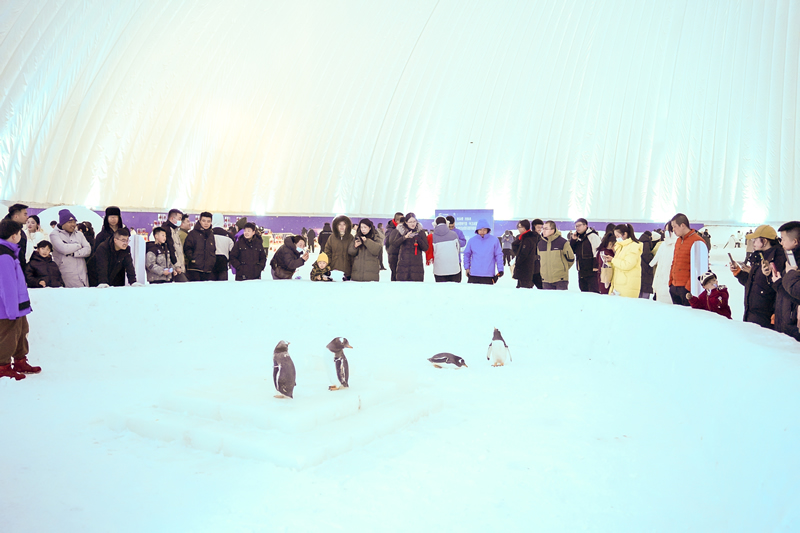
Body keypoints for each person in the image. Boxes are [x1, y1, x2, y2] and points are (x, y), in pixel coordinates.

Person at [0, 219, 41, 379]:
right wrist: (12, 311)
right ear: (13, 236)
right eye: (19, 233)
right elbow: (7, 286)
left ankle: (20, 361)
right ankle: (3, 366)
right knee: (8, 335)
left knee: (22, 331)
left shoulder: (9, 252)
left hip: (18, 305)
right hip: (8, 307)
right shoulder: (4, 256)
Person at [731, 225, 785, 329]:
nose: (753, 243)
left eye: (755, 240)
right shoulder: (759, 257)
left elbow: (780, 290)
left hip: (767, 319)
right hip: (752, 315)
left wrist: (776, 313)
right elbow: (754, 283)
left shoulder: (778, 260)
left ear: (764, 241)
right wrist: (738, 272)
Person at [669, 213, 708, 305]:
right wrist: (671, 282)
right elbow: (674, 262)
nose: (673, 230)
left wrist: (688, 287)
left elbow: (700, 268)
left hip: (687, 290)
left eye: (674, 227)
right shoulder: (678, 241)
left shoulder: (697, 241)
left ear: (683, 225)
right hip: (674, 286)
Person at [770, 221, 800, 341]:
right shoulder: (789, 259)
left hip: (794, 328)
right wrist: (778, 283)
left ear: (795, 242)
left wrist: (791, 274)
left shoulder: (794, 265)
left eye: (783, 239)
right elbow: (789, 293)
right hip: (784, 323)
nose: (781, 243)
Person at [49, 209, 92, 288]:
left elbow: (88, 250)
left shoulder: (79, 234)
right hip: (66, 273)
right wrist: (78, 246)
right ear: (62, 223)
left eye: (74, 222)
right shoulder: (54, 235)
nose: (73, 225)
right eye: (70, 222)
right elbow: (63, 249)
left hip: (82, 273)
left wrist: (74, 253)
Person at [387, 213, 429, 282]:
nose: (413, 224)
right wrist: (405, 237)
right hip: (403, 265)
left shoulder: (421, 232)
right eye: (410, 222)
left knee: (416, 285)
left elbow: (425, 248)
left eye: (414, 221)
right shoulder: (400, 231)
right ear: (406, 222)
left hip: (417, 266)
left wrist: (417, 238)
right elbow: (394, 245)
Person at [463, 219, 503, 285]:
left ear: (488, 230)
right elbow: (467, 254)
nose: (482, 232)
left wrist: (500, 269)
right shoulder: (472, 240)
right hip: (474, 274)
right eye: (480, 230)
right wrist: (467, 268)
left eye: (484, 230)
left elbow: (498, 255)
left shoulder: (494, 240)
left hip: (488, 275)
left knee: (487, 292)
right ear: (477, 230)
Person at [607, 224, 642, 298]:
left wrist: (613, 260)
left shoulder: (633, 246)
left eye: (618, 236)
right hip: (619, 283)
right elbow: (618, 263)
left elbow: (627, 265)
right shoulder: (621, 246)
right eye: (615, 236)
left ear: (625, 234)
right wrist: (609, 261)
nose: (617, 238)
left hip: (627, 285)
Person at [538, 221, 574, 290]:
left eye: (546, 229)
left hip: (560, 280)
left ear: (553, 230)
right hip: (546, 280)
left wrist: (563, 269)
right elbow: (540, 260)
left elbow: (571, 259)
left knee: (561, 297)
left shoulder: (562, 242)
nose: (543, 231)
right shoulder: (540, 244)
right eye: (543, 228)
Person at [569, 218, 601, 293]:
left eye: (579, 225)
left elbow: (597, 251)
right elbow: (572, 251)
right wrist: (573, 240)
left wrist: (596, 265)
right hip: (581, 270)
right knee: (583, 291)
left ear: (585, 226)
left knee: (593, 292)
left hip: (592, 271)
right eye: (576, 226)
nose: (577, 228)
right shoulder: (578, 237)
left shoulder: (592, 236)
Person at [183, 212, 217, 281]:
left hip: (208, 270)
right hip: (194, 270)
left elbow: (213, 250)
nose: (206, 223)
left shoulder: (211, 235)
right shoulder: (192, 234)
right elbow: (187, 248)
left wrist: (212, 261)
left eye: (208, 221)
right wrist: (193, 259)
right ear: (199, 221)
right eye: (204, 221)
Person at [650, 222, 676, 303]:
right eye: (666, 230)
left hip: (671, 284)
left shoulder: (677, 245)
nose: (667, 232)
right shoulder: (663, 245)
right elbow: (655, 262)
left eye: (669, 230)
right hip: (660, 283)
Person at [431, 216, 462, 283]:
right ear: (446, 223)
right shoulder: (454, 234)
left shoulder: (432, 237)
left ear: (435, 224)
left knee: (441, 289)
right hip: (454, 269)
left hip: (439, 270)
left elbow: (432, 252)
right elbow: (458, 249)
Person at [324, 215, 355, 281]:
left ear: (347, 226)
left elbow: (353, 255)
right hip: (334, 270)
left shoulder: (351, 238)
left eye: (344, 224)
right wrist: (328, 266)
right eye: (339, 224)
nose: (342, 226)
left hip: (347, 271)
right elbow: (327, 252)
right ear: (336, 226)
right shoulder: (331, 238)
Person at [161, 209, 188, 282]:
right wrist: (176, 265)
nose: (180, 221)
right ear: (172, 218)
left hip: (178, 266)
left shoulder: (175, 230)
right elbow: (171, 248)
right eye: (179, 218)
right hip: (174, 267)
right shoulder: (167, 230)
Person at [511, 219, 538, 289]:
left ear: (524, 228)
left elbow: (523, 254)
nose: (518, 229)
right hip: (525, 270)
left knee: (524, 290)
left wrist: (517, 262)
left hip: (525, 271)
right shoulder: (523, 237)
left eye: (519, 227)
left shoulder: (527, 239)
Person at [4, 204, 29, 273]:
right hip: (8, 269)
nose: (27, 217)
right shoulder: (5, 231)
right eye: (25, 214)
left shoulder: (20, 231)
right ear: (16, 216)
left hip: (18, 269)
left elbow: (21, 254)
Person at [211, 214, 234, 281]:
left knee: (210, 285)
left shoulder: (208, 234)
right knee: (222, 285)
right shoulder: (228, 236)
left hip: (210, 263)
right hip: (223, 263)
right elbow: (233, 251)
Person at [596, 229, 617, 295]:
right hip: (606, 280)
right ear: (610, 244)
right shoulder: (605, 253)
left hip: (604, 280)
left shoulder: (602, 251)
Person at [384, 213, 404, 281]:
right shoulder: (390, 230)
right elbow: (387, 243)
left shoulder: (402, 228)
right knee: (395, 274)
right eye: (402, 220)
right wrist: (390, 253)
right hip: (394, 256)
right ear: (397, 221)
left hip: (402, 255)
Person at [638, 230, 655, 299]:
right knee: (645, 287)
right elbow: (647, 256)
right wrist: (652, 257)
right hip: (646, 269)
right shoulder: (646, 243)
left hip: (640, 266)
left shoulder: (640, 242)